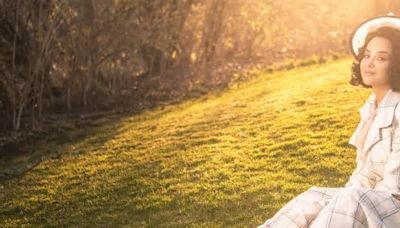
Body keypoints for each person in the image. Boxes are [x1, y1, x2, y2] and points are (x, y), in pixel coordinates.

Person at [258, 15, 400, 228]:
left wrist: (348, 201)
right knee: (313, 197)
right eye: (367, 55)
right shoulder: (371, 108)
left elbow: (394, 187)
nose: (369, 63)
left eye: (381, 58)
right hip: (370, 198)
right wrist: (333, 203)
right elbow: (363, 176)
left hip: (392, 205)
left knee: (347, 200)